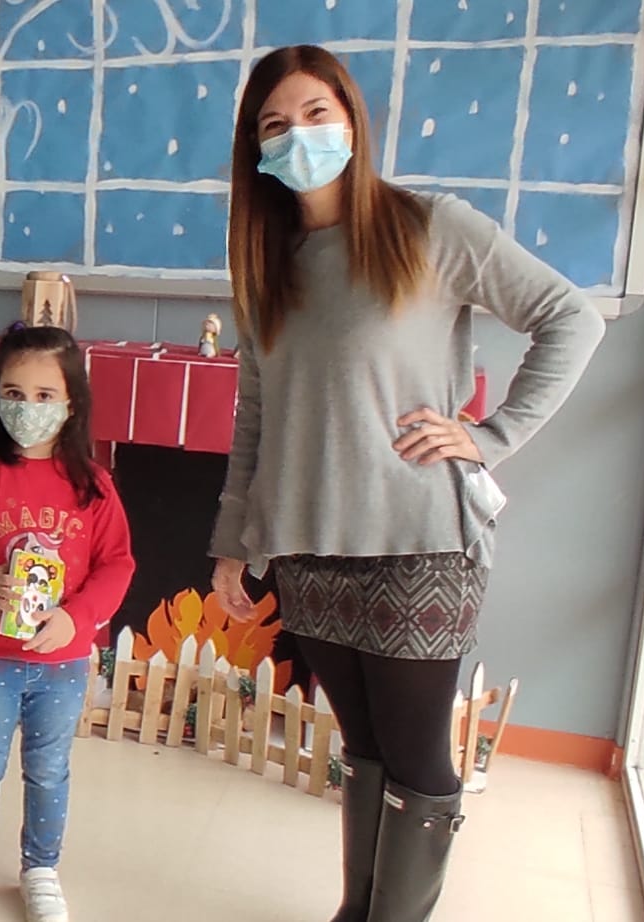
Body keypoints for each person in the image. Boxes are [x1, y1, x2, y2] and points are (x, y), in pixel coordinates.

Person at [212, 46, 605, 922]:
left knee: (418, 756)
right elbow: (255, 417)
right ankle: (357, 910)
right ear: (255, 149)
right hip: (308, 544)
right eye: (275, 125)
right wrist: (233, 544)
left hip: (419, 540)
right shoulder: (266, 260)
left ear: (352, 118)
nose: (298, 135)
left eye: (316, 113)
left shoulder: (429, 227)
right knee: (364, 749)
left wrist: (491, 437)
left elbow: (570, 318)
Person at [0, 324, 137, 922]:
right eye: (14, 393)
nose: (28, 407)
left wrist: (79, 618)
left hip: (63, 663)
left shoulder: (94, 487)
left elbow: (118, 564)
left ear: (71, 403)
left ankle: (40, 868)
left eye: (45, 395)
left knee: (48, 770)